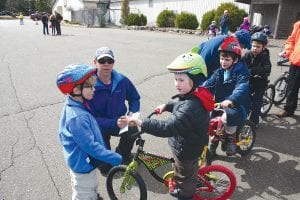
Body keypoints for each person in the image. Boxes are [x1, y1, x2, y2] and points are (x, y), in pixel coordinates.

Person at [121, 52, 214, 200]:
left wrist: (141, 122)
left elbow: (168, 127)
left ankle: (185, 195)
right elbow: (181, 104)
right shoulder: (196, 94)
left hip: (187, 149)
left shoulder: (191, 106)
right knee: (179, 167)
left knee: (184, 177)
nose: (177, 83)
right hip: (188, 142)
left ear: (194, 80)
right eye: (176, 79)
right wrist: (167, 106)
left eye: (181, 80)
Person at [56, 64, 122, 200]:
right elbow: (90, 146)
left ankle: (91, 195)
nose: (94, 89)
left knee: (84, 188)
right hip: (83, 166)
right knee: (84, 191)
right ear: (76, 89)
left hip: (80, 161)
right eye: (89, 87)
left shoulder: (74, 104)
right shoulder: (78, 117)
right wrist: (114, 157)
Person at [86, 47, 140, 174]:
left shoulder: (122, 80)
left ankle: (123, 153)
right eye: (102, 61)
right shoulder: (88, 85)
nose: (106, 64)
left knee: (133, 128)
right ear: (95, 62)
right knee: (106, 168)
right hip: (98, 127)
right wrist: (113, 123)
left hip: (120, 122)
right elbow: (89, 118)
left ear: (113, 63)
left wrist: (131, 114)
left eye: (109, 61)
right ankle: (102, 154)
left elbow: (135, 98)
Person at [202, 37, 250, 156]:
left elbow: (242, 87)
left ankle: (230, 140)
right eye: (221, 58)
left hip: (236, 105)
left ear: (235, 60)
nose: (223, 62)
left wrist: (231, 99)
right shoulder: (220, 71)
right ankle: (212, 147)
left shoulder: (242, 72)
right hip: (219, 104)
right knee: (212, 126)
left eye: (227, 59)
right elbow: (209, 83)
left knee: (226, 118)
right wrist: (198, 91)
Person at [242, 32, 271, 127]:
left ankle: (254, 122)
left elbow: (267, 69)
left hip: (260, 82)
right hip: (249, 81)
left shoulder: (265, 56)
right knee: (243, 99)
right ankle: (242, 118)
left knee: (256, 103)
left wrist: (254, 70)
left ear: (263, 47)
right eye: (253, 46)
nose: (255, 48)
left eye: (258, 46)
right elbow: (241, 64)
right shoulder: (247, 55)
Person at [276, 20, 300, 117]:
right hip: (297, 62)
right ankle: (289, 110)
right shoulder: (298, 25)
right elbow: (291, 40)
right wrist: (290, 53)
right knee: (292, 88)